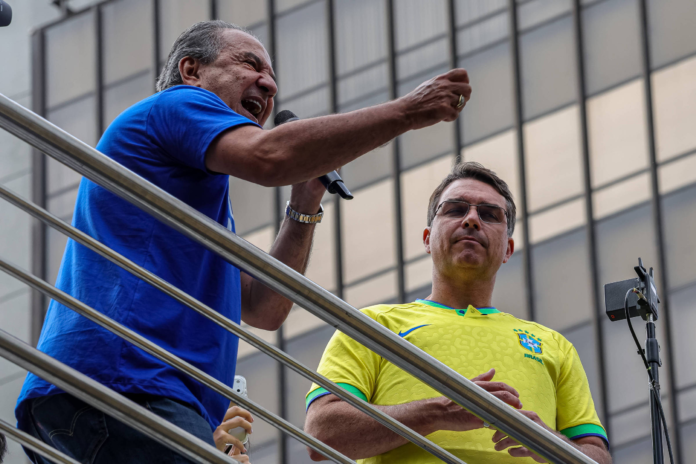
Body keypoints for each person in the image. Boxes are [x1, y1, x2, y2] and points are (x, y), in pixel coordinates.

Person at [16, 19, 472, 464]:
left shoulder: (191, 202)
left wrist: (304, 203)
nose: (268, 86)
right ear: (192, 70)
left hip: (114, 393)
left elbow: (263, 307)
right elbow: (269, 156)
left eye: (271, 78)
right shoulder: (176, 104)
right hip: (126, 380)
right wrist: (408, 111)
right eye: (249, 64)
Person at [304, 162, 611, 464]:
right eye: (455, 210)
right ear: (427, 239)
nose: (472, 220)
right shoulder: (371, 325)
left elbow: (597, 457)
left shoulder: (554, 345)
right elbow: (322, 432)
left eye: (490, 215)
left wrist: (546, 442)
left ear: (508, 249)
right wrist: (440, 412)